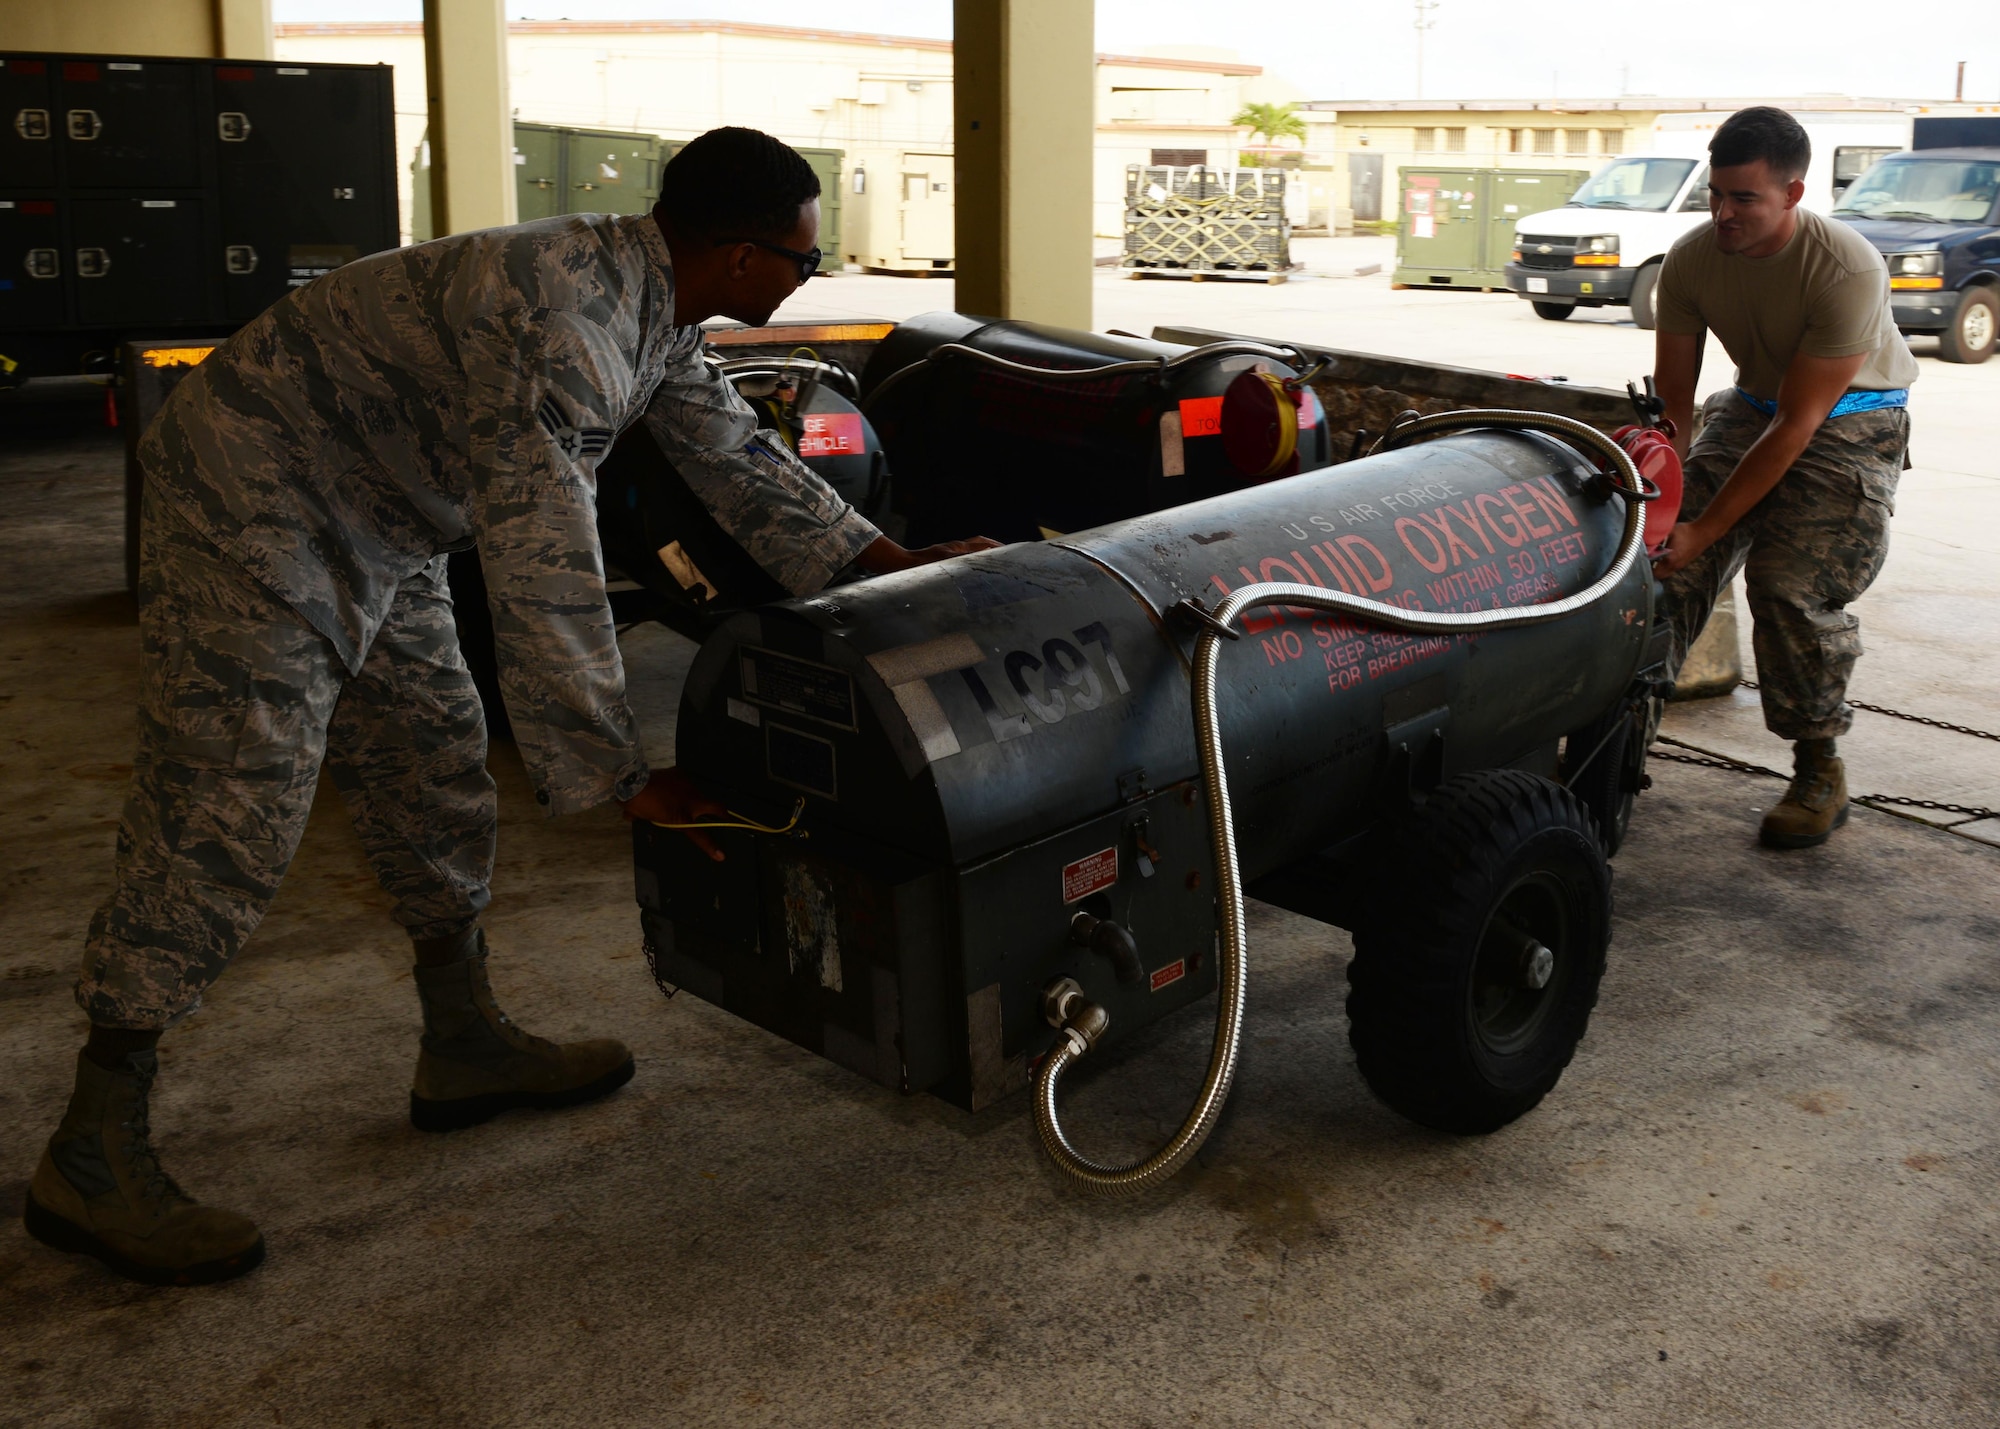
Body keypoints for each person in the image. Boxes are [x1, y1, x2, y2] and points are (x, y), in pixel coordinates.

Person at [25, 127, 997, 1286]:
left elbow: (734, 457)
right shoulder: (569, 325)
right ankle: (91, 1145)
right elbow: (544, 565)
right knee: (234, 794)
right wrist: (618, 773)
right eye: (803, 252)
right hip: (257, 493)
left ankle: (461, 1039)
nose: (808, 271)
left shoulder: (652, 304)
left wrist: (890, 561)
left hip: (377, 511)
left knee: (434, 755)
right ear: (739, 257)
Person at [1650, 106, 1916, 850]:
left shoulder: (1847, 265)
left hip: (1853, 417)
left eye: (1745, 199)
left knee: (1786, 583)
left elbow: (1798, 427)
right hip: (1755, 403)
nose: (1724, 213)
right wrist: (1668, 505)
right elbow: (1674, 401)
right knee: (1657, 563)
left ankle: (1817, 768)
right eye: (1717, 194)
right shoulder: (1693, 258)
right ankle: (1619, 740)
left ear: (1793, 194)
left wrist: (1710, 526)